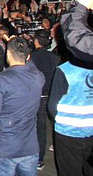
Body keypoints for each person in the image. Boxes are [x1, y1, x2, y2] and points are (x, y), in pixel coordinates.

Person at [0, 37, 44, 176]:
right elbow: (31, 64)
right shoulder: (38, 77)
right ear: (28, 56)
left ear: (8, 54)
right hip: (29, 147)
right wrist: (22, 48)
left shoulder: (2, 80)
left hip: (5, 147)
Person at [47, 50, 93, 175]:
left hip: (68, 132)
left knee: (69, 170)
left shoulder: (65, 70)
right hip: (90, 130)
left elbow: (52, 107)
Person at [29, 29, 59, 170]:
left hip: (34, 96)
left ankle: (31, 156)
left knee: (31, 127)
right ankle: (39, 159)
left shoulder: (33, 57)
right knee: (42, 128)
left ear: (36, 41)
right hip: (48, 95)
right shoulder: (54, 57)